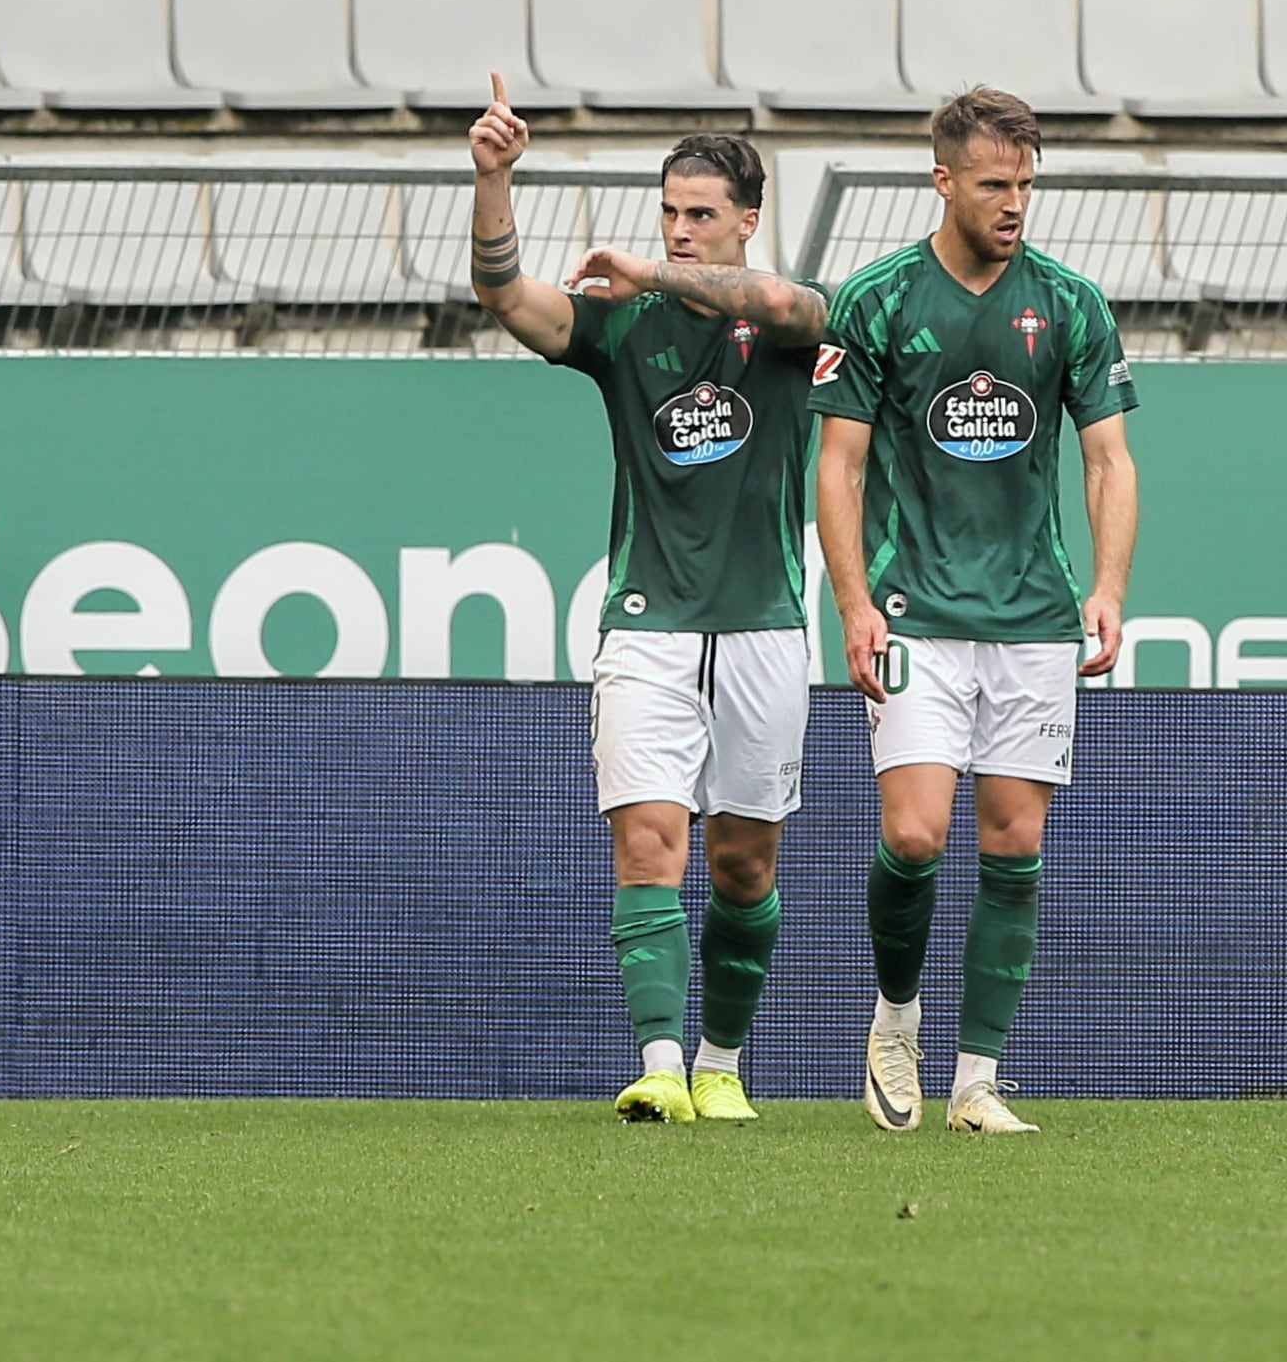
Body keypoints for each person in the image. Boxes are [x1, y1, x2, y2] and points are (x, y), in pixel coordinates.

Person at [468, 73, 829, 1123]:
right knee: (645, 842)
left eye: (699, 214)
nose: (677, 230)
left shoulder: (788, 319)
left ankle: (721, 1060)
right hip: (647, 623)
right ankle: (662, 1063)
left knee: (741, 857)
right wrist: (493, 180)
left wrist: (659, 276)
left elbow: (797, 305)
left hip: (763, 622)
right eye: (667, 213)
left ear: (746, 220)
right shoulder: (622, 327)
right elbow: (507, 294)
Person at [810, 87, 1140, 1134]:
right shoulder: (874, 300)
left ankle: (974, 1079)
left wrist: (1107, 587)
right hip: (913, 613)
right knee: (912, 836)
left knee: (1011, 842)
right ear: (941, 178)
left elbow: (1107, 459)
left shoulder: (1070, 303)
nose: (1014, 203)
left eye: (1026, 184)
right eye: (995, 184)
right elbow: (838, 466)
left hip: (1032, 620)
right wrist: (853, 601)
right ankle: (894, 1020)